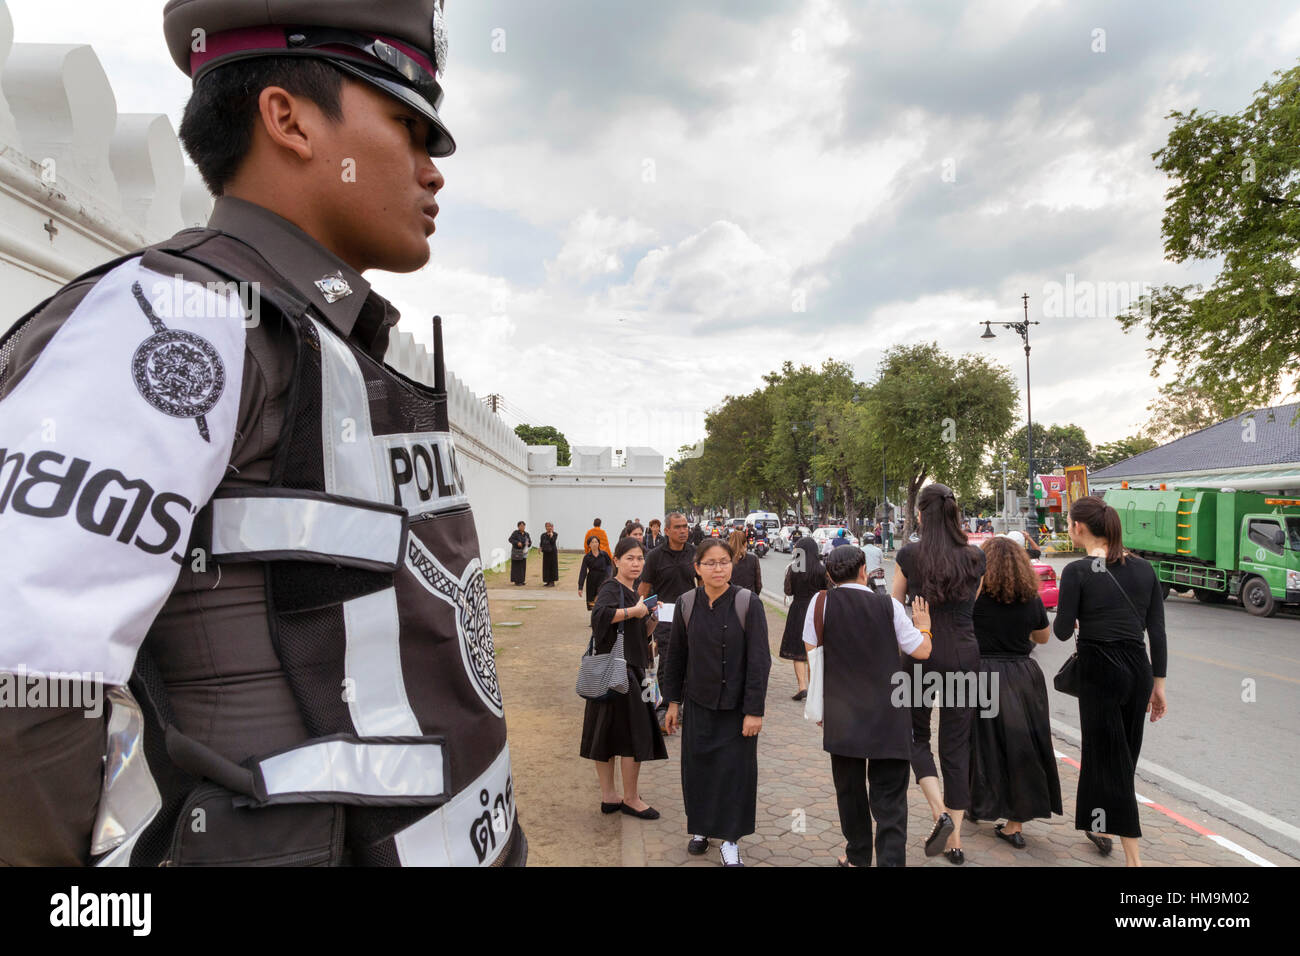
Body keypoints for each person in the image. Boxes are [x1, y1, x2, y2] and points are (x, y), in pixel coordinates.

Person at [0, 0, 527, 867]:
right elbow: (24, 695)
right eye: (409, 126)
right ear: (287, 118)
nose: (435, 171)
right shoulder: (175, 320)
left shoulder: (321, 340)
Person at [1054, 495, 1167, 867]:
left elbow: (1059, 631)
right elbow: (1158, 633)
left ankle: (1134, 859)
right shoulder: (1145, 569)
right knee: (1121, 758)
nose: (1068, 529)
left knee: (1111, 763)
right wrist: (1159, 686)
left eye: (1069, 523)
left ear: (1080, 528)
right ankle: (1100, 825)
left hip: (1100, 670)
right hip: (1138, 670)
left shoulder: (1076, 571)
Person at [805, 546, 933, 866]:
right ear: (864, 569)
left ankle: (857, 857)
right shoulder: (887, 605)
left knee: (850, 792)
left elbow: (812, 653)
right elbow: (921, 651)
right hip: (889, 716)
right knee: (890, 799)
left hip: (842, 713)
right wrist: (924, 625)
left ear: (830, 575)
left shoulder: (820, 604)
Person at [891, 483, 986, 865]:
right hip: (964, 655)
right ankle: (956, 842)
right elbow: (970, 606)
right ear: (954, 513)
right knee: (956, 746)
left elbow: (895, 607)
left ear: (919, 515)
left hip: (921, 655)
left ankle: (938, 812)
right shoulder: (976, 556)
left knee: (914, 734)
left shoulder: (909, 555)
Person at [662, 538, 770, 867]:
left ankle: (731, 840)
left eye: (723, 562)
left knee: (734, 774)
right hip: (698, 704)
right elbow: (675, 657)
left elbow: (759, 661)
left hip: (737, 710)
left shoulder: (747, 603)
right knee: (698, 770)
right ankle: (701, 829)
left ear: (731, 565)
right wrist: (672, 703)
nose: (717, 568)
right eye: (709, 563)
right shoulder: (686, 603)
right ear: (697, 568)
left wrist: (754, 710)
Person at [969, 537, 1061, 846]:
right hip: (1023, 675)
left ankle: (976, 804)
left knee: (980, 745)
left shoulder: (975, 598)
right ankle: (1015, 823)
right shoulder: (1030, 597)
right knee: (1024, 747)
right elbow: (1044, 637)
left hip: (981, 675)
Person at [581, 537, 667, 820]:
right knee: (632, 737)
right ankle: (629, 798)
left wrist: (650, 616)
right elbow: (599, 617)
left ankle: (611, 797)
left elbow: (638, 635)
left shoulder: (632, 593)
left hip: (624, 670)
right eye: (630, 558)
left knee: (606, 736)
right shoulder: (611, 587)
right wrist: (634, 611)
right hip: (619, 673)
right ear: (616, 560)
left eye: (640, 558)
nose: (636, 563)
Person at [639, 513, 698, 732]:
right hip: (664, 617)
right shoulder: (655, 557)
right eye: (678, 527)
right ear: (667, 531)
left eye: (685, 527)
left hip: (691, 616)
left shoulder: (694, 553)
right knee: (667, 661)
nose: (683, 530)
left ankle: (682, 704)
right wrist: (643, 611)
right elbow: (644, 589)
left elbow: (703, 586)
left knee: (691, 659)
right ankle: (664, 706)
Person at [780, 537, 825, 702]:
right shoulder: (822, 570)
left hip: (798, 609)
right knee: (814, 650)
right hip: (818, 609)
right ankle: (814, 687)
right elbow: (828, 589)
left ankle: (802, 686)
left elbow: (788, 591)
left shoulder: (793, 569)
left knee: (798, 649)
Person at [578, 536, 614, 611]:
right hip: (591, 580)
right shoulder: (587, 557)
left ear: (599, 544)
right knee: (592, 601)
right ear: (589, 545)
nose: (594, 544)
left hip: (603, 579)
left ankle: (601, 620)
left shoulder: (604, 554)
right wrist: (580, 587)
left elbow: (610, 565)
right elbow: (583, 571)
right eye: (592, 542)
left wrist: (609, 576)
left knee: (602, 599)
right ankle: (594, 620)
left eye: (596, 542)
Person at [726, 530, 763, 595]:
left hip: (729, 598)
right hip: (749, 598)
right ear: (745, 543)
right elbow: (758, 584)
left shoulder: (725, 559)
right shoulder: (753, 558)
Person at [508, 521, 531, 586]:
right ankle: (517, 581)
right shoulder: (515, 533)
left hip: (524, 553)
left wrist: (528, 544)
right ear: (518, 527)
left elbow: (529, 542)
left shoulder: (527, 534)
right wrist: (517, 542)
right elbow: (510, 539)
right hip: (517, 553)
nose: (522, 527)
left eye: (523, 526)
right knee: (517, 567)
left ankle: (522, 580)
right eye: (521, 526)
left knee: (523, 567)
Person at [540, 522, 560, 587]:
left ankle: (552, 582)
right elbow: (541, 543)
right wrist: (540, 548)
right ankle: (547, 581)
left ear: (552, 527)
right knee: (546, 567)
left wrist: (551, 536)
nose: (549, 527)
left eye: (550, 526)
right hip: (546, 553)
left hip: (552, 553)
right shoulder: (543, 535)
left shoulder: (555, 534)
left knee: (552, 567)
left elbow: (553, 542)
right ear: (545, 527)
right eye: (547, 526)